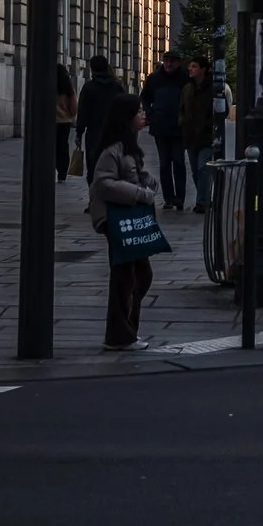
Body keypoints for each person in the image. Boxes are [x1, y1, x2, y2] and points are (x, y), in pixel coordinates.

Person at [87, 87, 162, 350]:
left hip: (126, 216)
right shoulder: (113, 149)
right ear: (126, 117)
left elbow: (129, 176)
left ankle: (126, 330)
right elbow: (104, 183)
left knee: (139, 274)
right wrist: (140, 193)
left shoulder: (129, 145)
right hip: (115, 217)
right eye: (139, 111)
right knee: (126, 276)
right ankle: (120, 335)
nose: (144, 114)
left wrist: (147, 181)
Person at [140, 51, 189, 209]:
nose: (168, 64)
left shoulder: (184, 78)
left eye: (172, 61)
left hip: (179, 126)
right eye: (166, 61)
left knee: (179, 161)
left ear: (179, 63)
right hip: (160, 126)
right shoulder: (154, 78)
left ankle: (180, 198)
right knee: (164, 163)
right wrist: (150, 112)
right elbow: (145, 97)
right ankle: (169, 198)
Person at [178, 57, 217, 202]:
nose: (190, 69)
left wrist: (209, 125)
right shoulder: (187, 88)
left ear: (203, 69)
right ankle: (204, 197)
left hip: (207, 136)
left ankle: (203, 201)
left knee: (203, 168)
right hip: (190, 136)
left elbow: (221, 110)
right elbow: (181, 109)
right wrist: (182, 122)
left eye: (194, 66)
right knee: (195, 171)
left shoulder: (213, 88)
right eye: (190, 66)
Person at [53, 64, 78, 187]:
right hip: (64, 121)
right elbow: (74, 107)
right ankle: (62, 174)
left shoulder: (45, 85)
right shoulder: (68, 88)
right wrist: (69, 115)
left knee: (48, 147)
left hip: (48, 122)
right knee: (62, 147)